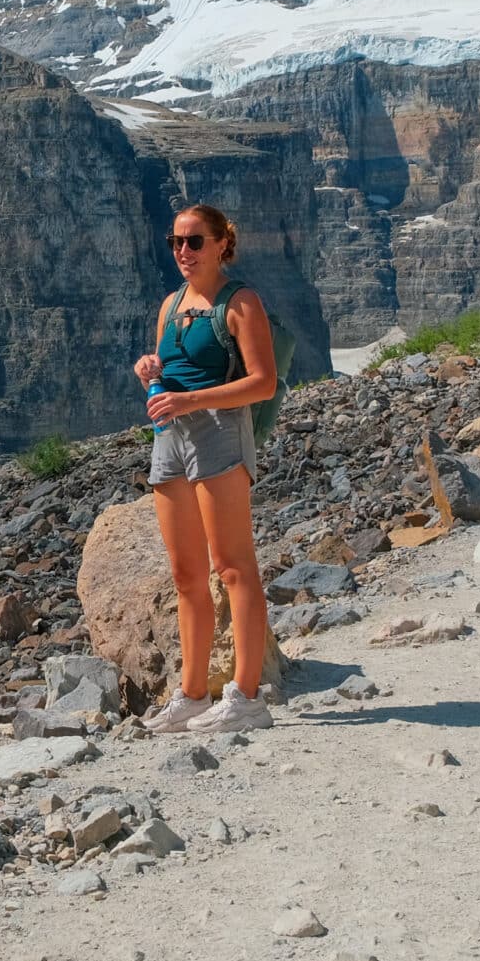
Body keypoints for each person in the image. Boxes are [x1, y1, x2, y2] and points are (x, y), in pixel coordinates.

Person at [131, 204, 279, 734]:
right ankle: (192, 695)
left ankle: (246, 696)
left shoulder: (239, 302)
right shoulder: (170, 305)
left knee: (233, 566)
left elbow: (264, 382)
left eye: (195, 242)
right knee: (186, 574)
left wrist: (189, 401)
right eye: (176, 242)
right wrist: (148, 369)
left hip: (219, 432)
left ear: (222, 244)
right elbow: (167, 373)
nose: (183, 252)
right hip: (169, 439)